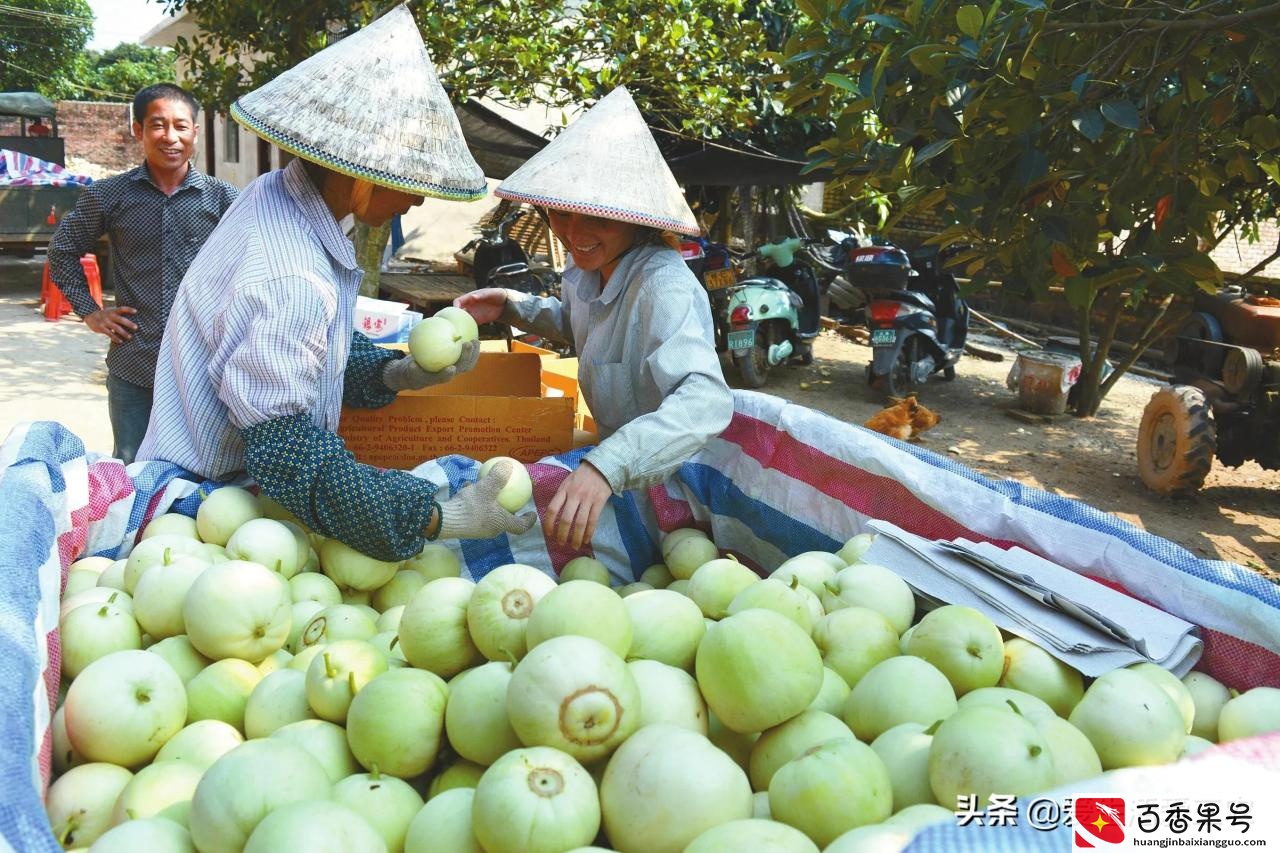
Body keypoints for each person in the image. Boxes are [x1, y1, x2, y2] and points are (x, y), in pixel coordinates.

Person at [137, 5, 534, 562]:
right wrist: (435, 515)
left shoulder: (276, 194)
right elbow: (289, 455)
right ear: (363, 176)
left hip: (243, 491)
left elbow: (306, 355)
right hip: (212, 501)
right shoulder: (291, 276)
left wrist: (396, 370)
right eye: (410, 184)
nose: (418, 199)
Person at [455, 87, 734, 550]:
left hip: (669, 484)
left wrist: (609, 464)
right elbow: (578, 323)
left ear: (638, 221)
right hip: (607, 475)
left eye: (596, 220)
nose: (573, 234)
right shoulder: (588, 265)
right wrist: (510, 305)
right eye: (560, 214)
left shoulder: (663, 287)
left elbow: (705, 399)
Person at [48, 84, 238, 463]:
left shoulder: (224, 200)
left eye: (181, 126)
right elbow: (62, 250)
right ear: (138, 130)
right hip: (134, 365)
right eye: (158, 125)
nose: (171, 137)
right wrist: (91, 311)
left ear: (195, 133)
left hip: (203, 368)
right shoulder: (109, 196)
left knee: (204, 472)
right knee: (131, 472)